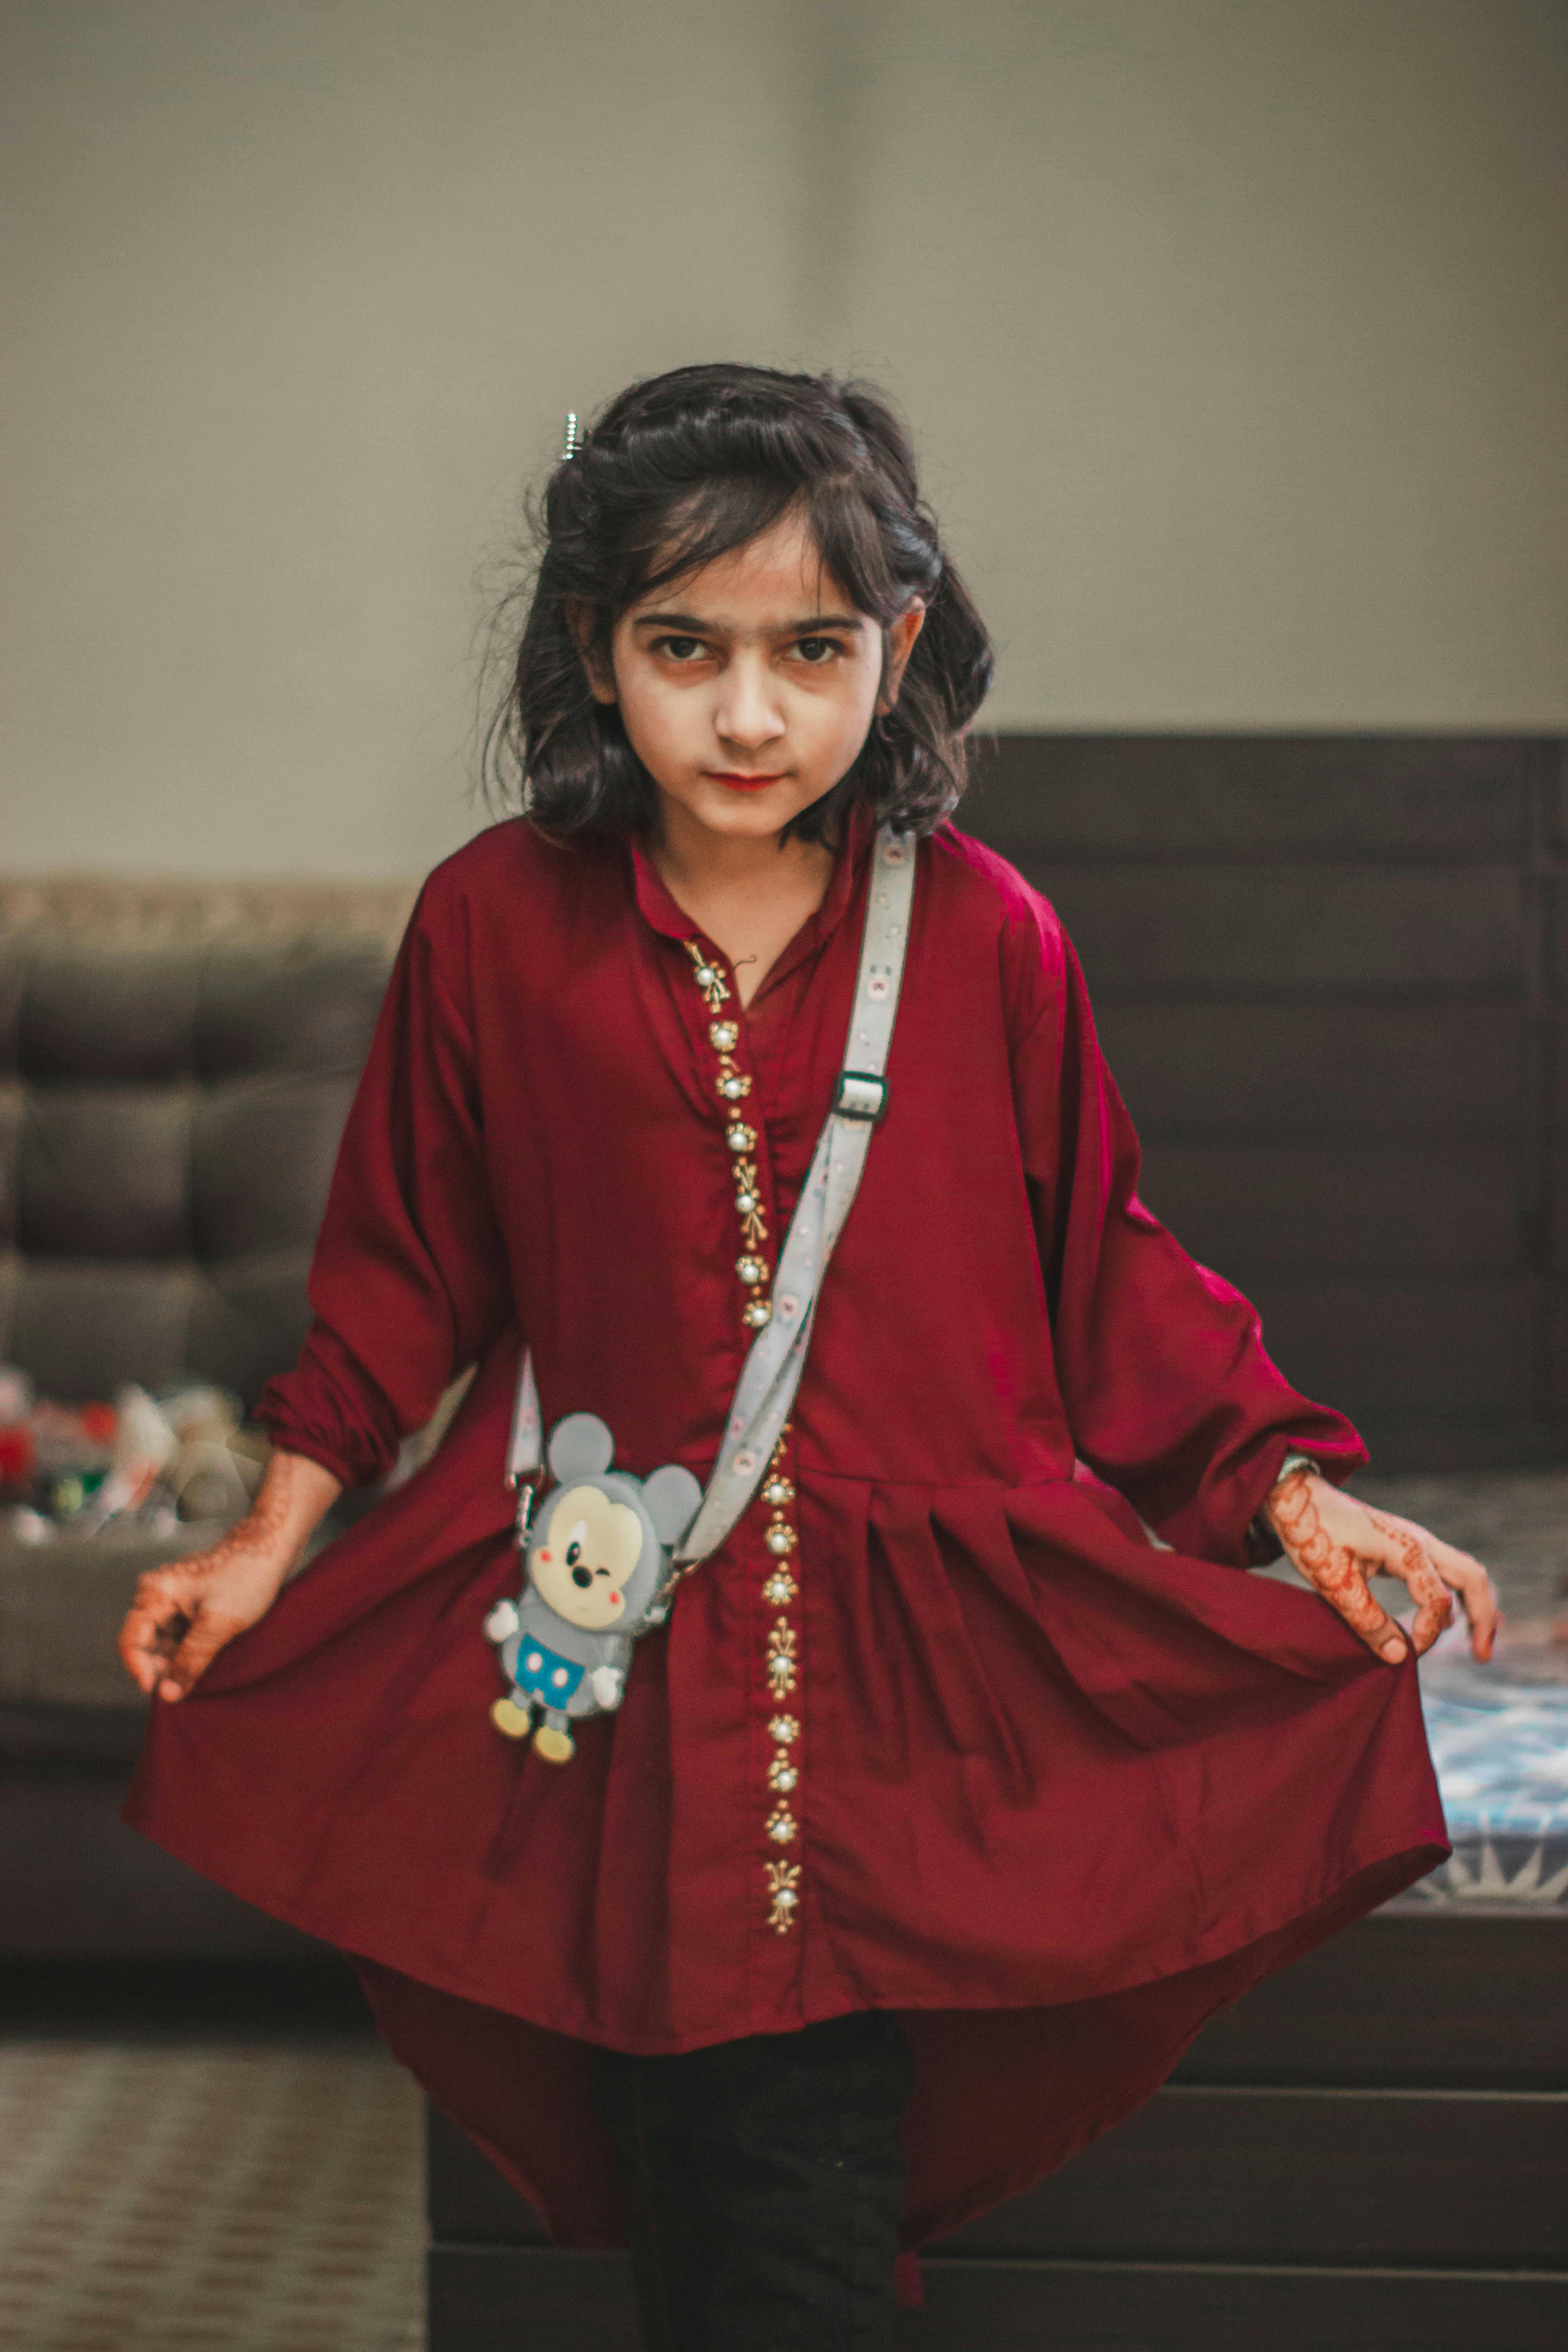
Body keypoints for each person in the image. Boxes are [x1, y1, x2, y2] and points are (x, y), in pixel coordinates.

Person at [121, 364, 1497, 2351]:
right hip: (620, 1652)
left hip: (921, 1669)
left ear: (898, 648)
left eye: (809, 650)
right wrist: (268, 1542)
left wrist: (1289, 1494)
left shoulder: (990, 934)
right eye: (684, 648)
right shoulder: (494, 927)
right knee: (708, 2158)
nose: (747, 713)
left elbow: (1100, 1266)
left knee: (788, 2155)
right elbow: (404, 1276)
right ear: (594, 648)